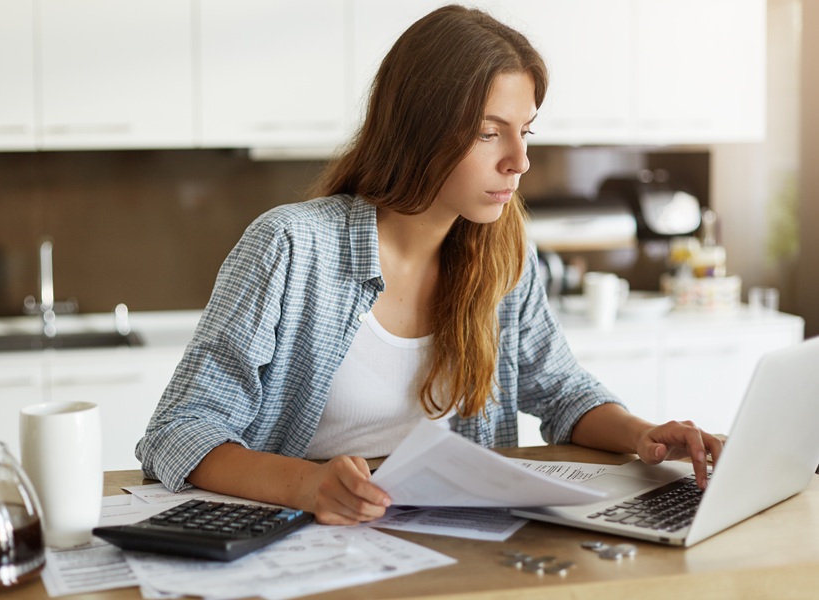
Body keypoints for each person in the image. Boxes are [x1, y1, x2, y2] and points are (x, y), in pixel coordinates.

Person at [136, 4, 723, 526]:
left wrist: (642, 433)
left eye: (525, 132)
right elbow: (179, 431)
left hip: (463, 539)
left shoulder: (505, 252)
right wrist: (309, 485)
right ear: (419, 132)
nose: (519, 161)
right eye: (490, 134)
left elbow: (562, 390)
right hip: (314, 536)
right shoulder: (290, 246)